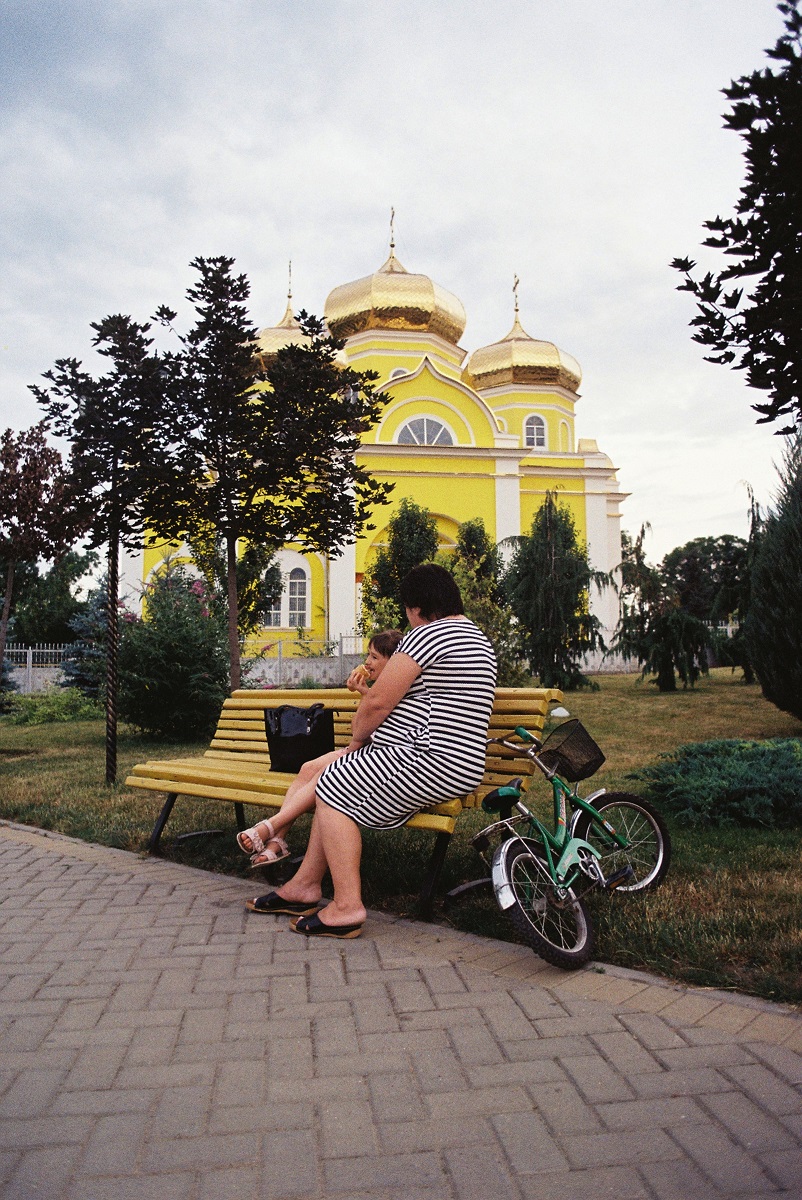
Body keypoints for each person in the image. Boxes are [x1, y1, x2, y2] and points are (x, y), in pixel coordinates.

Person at [246, 562, 497, 938]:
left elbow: (378, 703)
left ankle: (347, 906)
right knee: (334, 775)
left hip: (429, 760)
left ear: (417, 606)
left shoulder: (428, 635)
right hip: (457, 763)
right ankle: (303, 887)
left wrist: (358, 738)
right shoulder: (476, 637)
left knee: (334, 785)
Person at [236, 629, 403, 867]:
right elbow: (358, 731)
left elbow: (372, 733)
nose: (367, 662)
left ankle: (270, 828)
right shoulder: (377, 691)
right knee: (307, 768)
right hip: (360, 751)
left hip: (375, 760)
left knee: (325, 774)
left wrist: (368, 695)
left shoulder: (400, 691)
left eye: (375, 657)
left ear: (395, 663)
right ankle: (277, 842)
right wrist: (366, 695)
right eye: (368, 655)